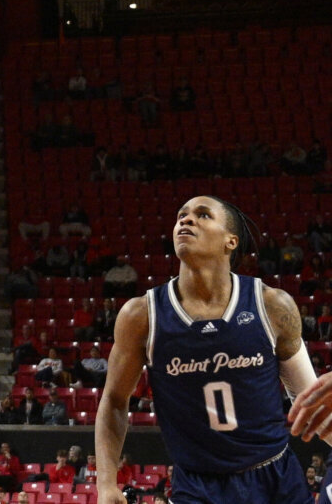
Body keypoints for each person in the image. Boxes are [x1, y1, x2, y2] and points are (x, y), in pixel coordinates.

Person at [96, 196, 315, 504]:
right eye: (181, 216)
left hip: (276, 477)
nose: (186, 220)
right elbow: (114, 400)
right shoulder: (141, 315)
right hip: (197, 485)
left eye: (203, 215)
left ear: (231, 241)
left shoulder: (272, 305)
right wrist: (106, 485)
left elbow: (312, 401)